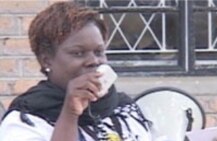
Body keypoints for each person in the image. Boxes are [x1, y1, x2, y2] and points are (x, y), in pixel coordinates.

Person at [0, 2, 152, 141]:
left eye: (99, 52)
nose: (94, 61)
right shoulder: (25, 121)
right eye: (78, 53)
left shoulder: (122, 108)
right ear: (46, 60)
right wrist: (70, 114)